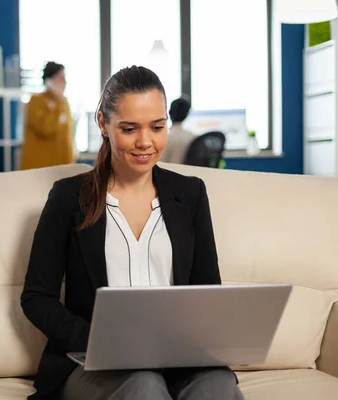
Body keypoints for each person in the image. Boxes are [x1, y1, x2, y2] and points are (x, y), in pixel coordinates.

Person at [20, 66, 243, 400]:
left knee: (220, 386)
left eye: (157, 127)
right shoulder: (68, 198)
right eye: (129, 128)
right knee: (144, 385)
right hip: (95, 364)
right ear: (103, 124)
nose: (145, 142)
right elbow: (36, 298)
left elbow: (207, 291)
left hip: (178, 357)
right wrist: (99, 341)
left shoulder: (191, 194)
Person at [20, 61, 75, 170]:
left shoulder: (63, 102)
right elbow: (45, 128)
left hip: (62, 167)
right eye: (61, 78)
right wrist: (57, 104)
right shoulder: (36, 101)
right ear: (49, 81)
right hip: (40, 168)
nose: (64, 82)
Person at [159, 97, 196, 164]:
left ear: (169, 113)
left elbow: (159, 164)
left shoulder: (165, 137)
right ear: (186, 115)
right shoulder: (193, 137)